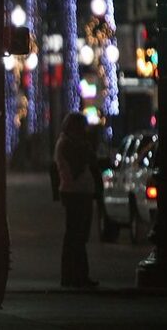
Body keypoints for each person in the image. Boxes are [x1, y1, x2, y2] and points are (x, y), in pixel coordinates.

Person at [54, 112, 99, 288]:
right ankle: (74, 276)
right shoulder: (67, 144)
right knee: (75, 236)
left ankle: (78, 275)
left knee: (78, 237)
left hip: (80, 193)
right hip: (75, 194)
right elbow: (77, 168)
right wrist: (86, 150)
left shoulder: (71, 144)